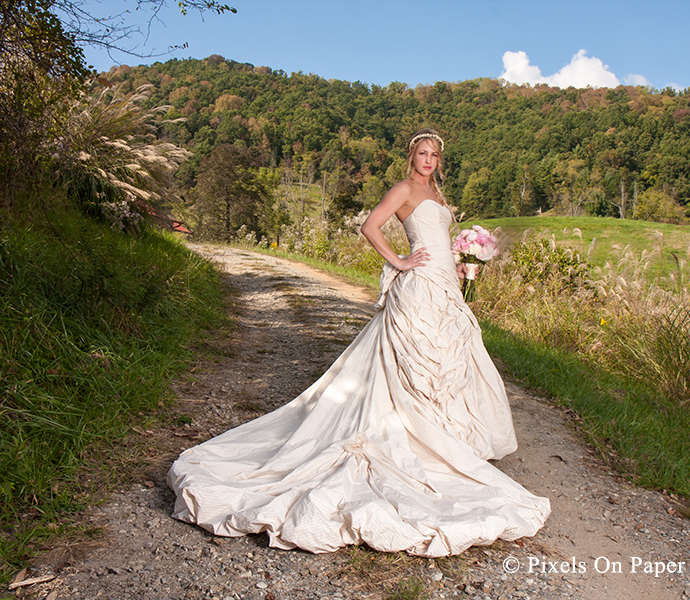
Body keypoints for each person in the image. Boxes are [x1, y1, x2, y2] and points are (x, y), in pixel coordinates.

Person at [167, 128, 550, 557]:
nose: (428, 160)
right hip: (419, 286)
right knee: (412, 361)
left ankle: (445, 441)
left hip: (445, 286)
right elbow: (370, 227)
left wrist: (462, 265)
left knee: (452, 360)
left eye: (434, 155)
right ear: (412, 156)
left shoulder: (438, 196)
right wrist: (400, 262)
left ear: (440, 160)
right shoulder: (404, 188)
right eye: (422, 153)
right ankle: (407, 438)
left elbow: (439, 242)